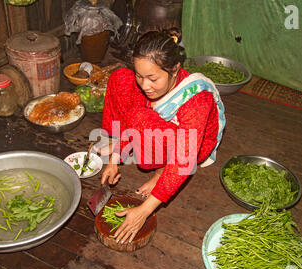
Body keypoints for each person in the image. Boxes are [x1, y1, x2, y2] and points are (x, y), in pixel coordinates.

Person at [97, 29, 226, 245]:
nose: (145, 85)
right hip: (160, 126)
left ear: (175, 68)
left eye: (152, 78)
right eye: (140, 75)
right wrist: (115, 160)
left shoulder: (196, 100)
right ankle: (120, 144)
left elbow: (183, 160)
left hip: (194, 145)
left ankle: (159, 172)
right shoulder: (148, 85)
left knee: (140, 118)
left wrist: (143, 211)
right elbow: (134, 100)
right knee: (120, 78)